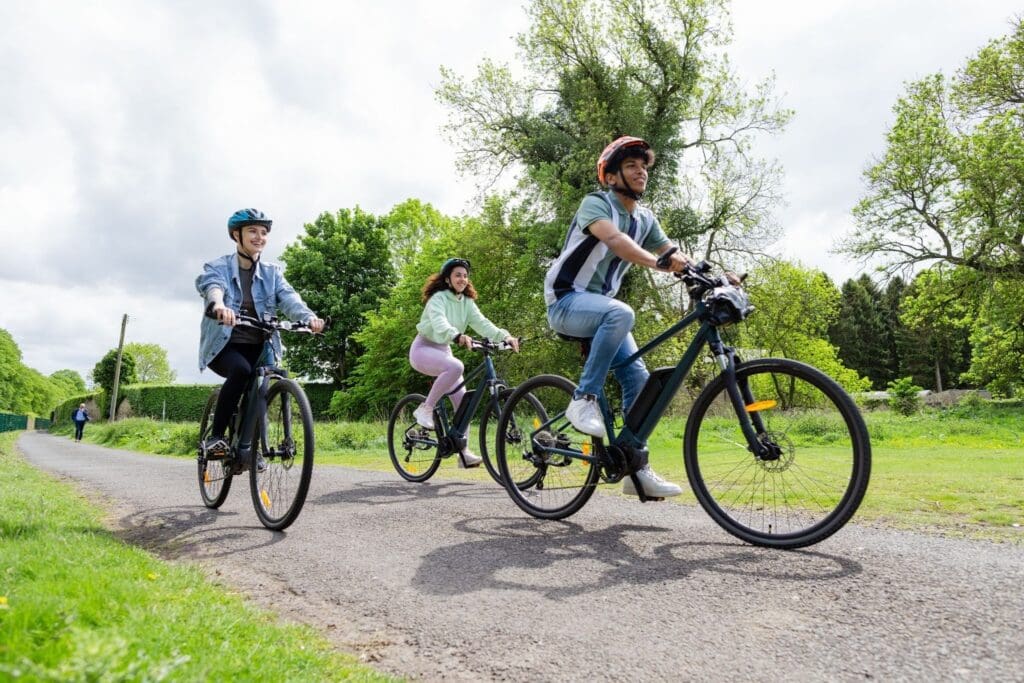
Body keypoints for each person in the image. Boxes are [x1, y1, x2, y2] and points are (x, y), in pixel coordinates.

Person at [543, 136, 691, 498]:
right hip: (566, 301)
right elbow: (614, 241)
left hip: (603, 312)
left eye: (643, 166)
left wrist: (712, 273)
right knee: (621, 312)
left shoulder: (644, 218)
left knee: (640, 382)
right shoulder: (596, 204)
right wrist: (660, 263)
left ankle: (634, 469)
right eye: (630, 166)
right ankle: (583, 399)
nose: (640, 171)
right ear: (611, 177)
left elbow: (673, 251)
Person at [195, 208, 324, 457]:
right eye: (252, 231)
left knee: (271, 378)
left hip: (261, 346)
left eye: (263, 232)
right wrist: (219, 306)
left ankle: (252, 449)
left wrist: (308, 318)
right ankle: (217, 438)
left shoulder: (272, 273)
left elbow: (289, 299)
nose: (259, 237)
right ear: (237, 235)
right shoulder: (219, 267)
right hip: (225, 346)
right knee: (241, 371)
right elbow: (213, 287)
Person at [409, 258, 520, 468]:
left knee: (464, 404)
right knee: (456, 366)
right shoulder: (438, 299)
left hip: (444, 350)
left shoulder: (467, 303)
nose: (462, 279)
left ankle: (463, 453)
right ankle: (426, 408)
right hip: (423, 349)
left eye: (465, 275)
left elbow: (483, 323)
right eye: (458, 275)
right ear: (448, 279)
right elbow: (439, 321)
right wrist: (457, 335)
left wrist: (505, 336)